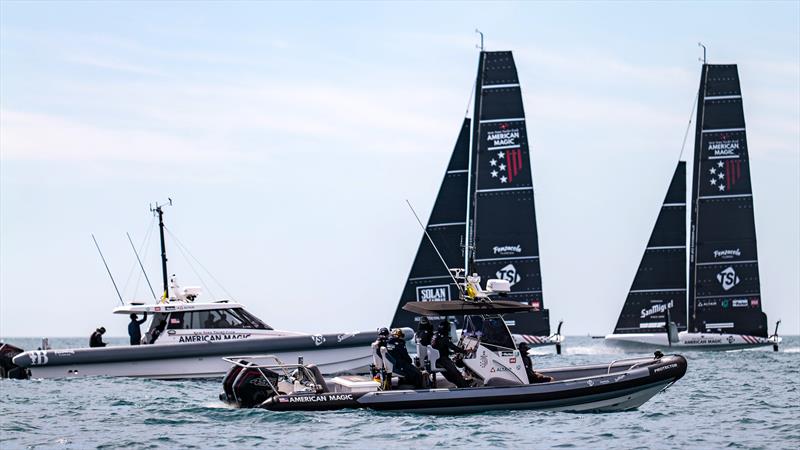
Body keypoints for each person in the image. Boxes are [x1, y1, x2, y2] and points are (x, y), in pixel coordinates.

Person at [431, 321, 468, 388]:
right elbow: (453, 347)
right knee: (456, 373)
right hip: (441, 360)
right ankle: (465, 386)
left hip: (437, 359)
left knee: (452, 375)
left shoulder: (435, 335)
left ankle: (460, 385)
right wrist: (465, 351)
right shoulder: (444, 338)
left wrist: (451, 353)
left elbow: (441, 348)